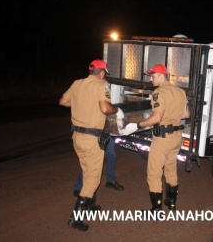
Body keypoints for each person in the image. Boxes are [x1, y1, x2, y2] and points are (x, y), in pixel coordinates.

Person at [59, 59, 124, 231]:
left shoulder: (77, 83)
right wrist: (116, 109)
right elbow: (105, 108)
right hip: (91, 139)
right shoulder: (102, 85)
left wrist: (83, 103)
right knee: (93, 180)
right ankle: (76, 219)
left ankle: (88, 206)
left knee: (88, 171)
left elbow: (63, 102)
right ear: (102, 73)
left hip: (77, 137)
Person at [121, 63, 189, 215]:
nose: (150, 79)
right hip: (176, 137)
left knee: (154, 173)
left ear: (160, 75)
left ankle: (156, 211)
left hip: (162, 139)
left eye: (152, 76)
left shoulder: (159, 93)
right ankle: (171, 204)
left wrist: (137, 125)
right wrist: (171, 118)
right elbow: (186, 115)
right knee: (170, 169)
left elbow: (157, 118)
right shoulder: (180, 91)